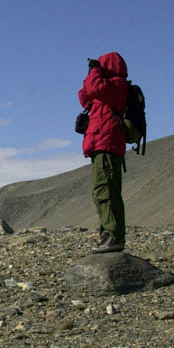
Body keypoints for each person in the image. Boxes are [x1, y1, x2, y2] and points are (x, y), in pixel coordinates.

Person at [78, 52, 130, 253]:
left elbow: (95, 87)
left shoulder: (117, 85)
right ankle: (107, 235)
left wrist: (95, 71)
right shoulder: (106, 89)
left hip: (107, 143)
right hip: (100, 144)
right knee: (100, 192)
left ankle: (114, 236)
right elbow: (84, 96)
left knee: (106, 191)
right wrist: (91, 73)